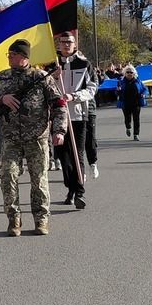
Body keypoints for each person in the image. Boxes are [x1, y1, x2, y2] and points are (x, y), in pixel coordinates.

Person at [0, 38, 68, 236]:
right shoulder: (1, 78)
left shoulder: (41, 77)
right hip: (10, 139)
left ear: (24, 57)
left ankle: (41, 219)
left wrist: (59, 131)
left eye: (13, 55)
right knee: (8, 176)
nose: (9, 58)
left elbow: (59, 105)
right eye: (9, 55)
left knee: (39, 180)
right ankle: (14, 219)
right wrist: (1, 99)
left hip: (37, 138)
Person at [54, 33, 97, 208]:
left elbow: (92, 88)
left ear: (75, 44)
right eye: (63, 42)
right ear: (58, 45)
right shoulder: (53, 65)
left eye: (69, 42)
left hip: (79, 115)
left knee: (77, 153)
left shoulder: (84, 64)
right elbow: (46, 88)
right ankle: (70, 188)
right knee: (63, 156)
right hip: (58, 116)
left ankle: (79, 192)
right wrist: (56, 77)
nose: (66, 45)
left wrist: (75, 96)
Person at [116, 64, 148, 140]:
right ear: (125, 73)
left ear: (134, 73)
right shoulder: (121, 81)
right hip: (125, 102)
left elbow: (145, 89)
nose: (129, 74)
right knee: (127, 118)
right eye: (128, 72)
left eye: (131, 72)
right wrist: (118, 90)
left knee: (136, 119)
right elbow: (116, 93)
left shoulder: (138, 81)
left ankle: (136, 134)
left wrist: (143, 94)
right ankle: (128, 127)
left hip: (136, 102)